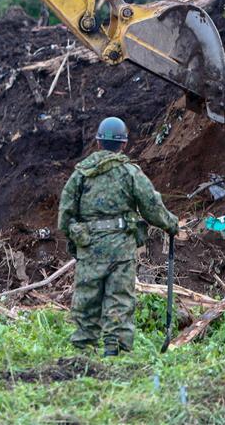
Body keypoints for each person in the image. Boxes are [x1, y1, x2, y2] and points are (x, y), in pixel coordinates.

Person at [58, 116, 179, 356]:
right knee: (119, 299)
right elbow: (152, 206)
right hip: (121, 250)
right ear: (124, 144)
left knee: (87, 298)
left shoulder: (81, 175)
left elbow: (65, 215)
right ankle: (116, 349)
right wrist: (171, 224)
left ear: (99, 142)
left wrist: (76, 240)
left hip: (89, 248)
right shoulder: (130, 173)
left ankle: (83, 348)